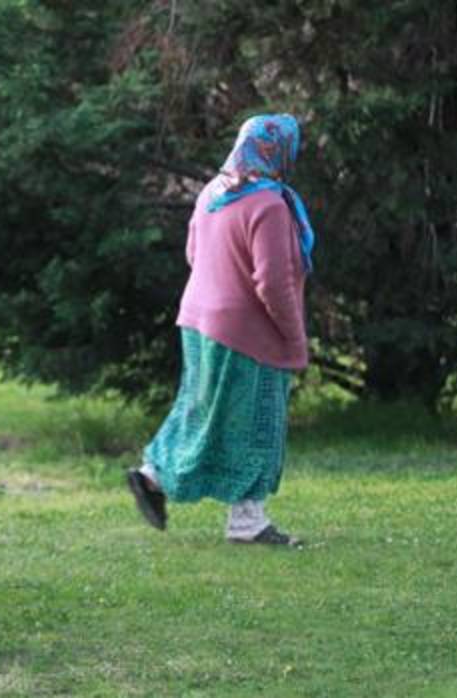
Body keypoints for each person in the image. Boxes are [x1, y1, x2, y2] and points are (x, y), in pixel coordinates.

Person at [126, 113, 316, 547]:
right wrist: (293, 335)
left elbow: (194, 252)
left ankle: (152, 475)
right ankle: (247, 520)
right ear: (280, 151)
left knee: (201, 405)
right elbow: (273, 281)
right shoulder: (268, 204)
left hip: (197, 319)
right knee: (258, 419)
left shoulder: (214, 190)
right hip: (248, 329)